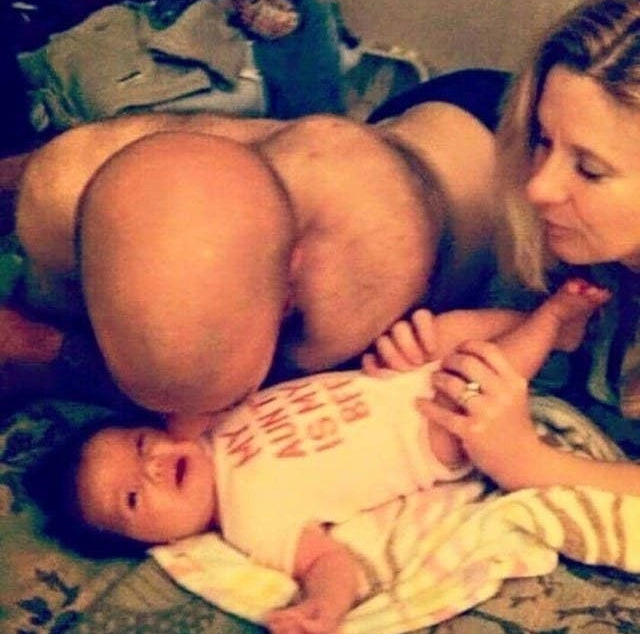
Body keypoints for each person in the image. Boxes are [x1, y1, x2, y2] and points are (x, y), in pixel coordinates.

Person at [35, 278, 607, 634]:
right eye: (134, 497)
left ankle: (558, 336)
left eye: (141, 445)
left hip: (399, 377)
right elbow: (329, 563)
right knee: (478, 383)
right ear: (151, 543)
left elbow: (191, 376)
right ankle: (551, 321)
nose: (153, 466)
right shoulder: (251, 523)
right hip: (434, 433)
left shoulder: (209, 422)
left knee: (454, 334)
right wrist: (321, 608)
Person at [5, 70, 510, 437]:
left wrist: (51, 350)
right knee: (53, 188)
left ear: (289, 291)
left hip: (488, 130)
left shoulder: (351, 288)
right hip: (412, 123)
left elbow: (254, 410)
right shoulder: (70, 177)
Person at [408, 0, 640, 497]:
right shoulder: (573, 247)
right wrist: (448, 343)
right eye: (543, 141)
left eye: (589, 169)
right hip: (457, 100)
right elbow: (537, 324)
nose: (539, 187)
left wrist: (530, 463)